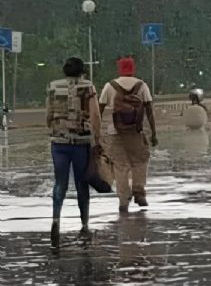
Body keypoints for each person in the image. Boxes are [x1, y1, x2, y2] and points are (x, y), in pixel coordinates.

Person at [46, 57, 103, 247]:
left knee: (59, 183)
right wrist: (97, 139)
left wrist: (55, 129)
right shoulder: (88, 86)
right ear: (82, 71)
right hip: (81, 142)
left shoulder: (53, 86)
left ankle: (55, 220)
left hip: (58, 143)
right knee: (82, 184)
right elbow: (95, 115)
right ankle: (84, 224)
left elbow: (48, 114)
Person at [100, 57, 158, 214]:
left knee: (120, 165)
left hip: (115, 132)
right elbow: (149, 111)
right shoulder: (141, 85)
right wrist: (153, 133)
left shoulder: (110, 86)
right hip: (136, 132)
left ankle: (123, 199)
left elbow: (99, 110)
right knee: (141, 161)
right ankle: (139, 192)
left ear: (119, 69)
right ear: (133, 69)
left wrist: (97, 133)